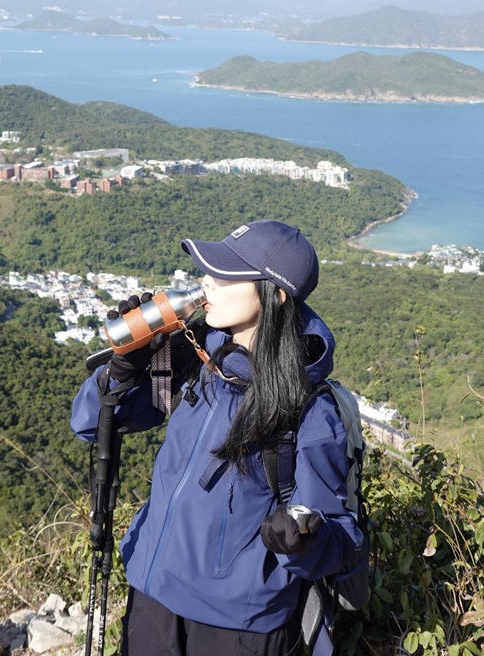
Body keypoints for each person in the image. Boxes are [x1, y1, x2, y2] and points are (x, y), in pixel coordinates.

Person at [71, 220, 363, 656]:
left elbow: (343, 539)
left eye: (227, 274)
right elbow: (90, 425)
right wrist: (123, 369)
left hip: (237, 628)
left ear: (275, 295)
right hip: (154, 597)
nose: (208, 281)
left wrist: (304, 538)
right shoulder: (199, 359)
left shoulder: (309, 410)